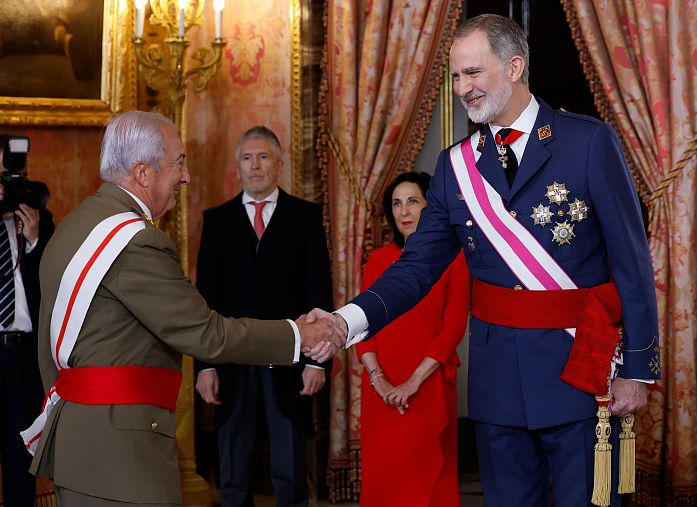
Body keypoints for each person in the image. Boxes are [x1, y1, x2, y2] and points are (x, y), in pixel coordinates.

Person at [306, 14, 659, 506]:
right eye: (455, 76)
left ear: (514, 67)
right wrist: (346, 322)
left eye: (473, 73)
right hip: (498, 381)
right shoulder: (455, 167)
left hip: (580, 369)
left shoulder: (587, 142)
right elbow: (415, 268)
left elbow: (633, 264)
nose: (461, 88)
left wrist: (637, 370)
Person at [25, 111, 342, 505]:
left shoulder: (76, 225)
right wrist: (301, 334)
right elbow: (206, 334)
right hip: (122, 457)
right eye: (178, 162)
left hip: (79, 441)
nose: (186, 175)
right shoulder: (137, 242)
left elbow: (46, 347)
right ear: (143, 172)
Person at [194, 126, 333, 507]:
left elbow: (318, 294)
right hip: (232, 361)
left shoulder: (305, 217)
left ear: (279, 164)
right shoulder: (217, 221)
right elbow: (206, 300)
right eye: (247, 158)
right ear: (237, 167)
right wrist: (205, 366)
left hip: (289, 362)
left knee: (290, 473)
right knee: (233, 473)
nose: (255, 166)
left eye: (263, 157)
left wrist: (316, 361)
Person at [356, 172, 469, 506]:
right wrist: (378, 379)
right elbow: (362, 327)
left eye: (413, 201)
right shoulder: (377, 260)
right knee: (385, 478)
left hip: (428, 384)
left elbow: (453, 328)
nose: (404, 211)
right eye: (396, 203)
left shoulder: (455, 258)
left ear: (429, 206)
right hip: (381, 387)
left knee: (428, 481)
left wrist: (412, 383)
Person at [0, 151, 54, 507]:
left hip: (22, 353)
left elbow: (53, 281)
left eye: (12, 179)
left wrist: (34, 241)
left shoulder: (38, 220)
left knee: (21, 456)